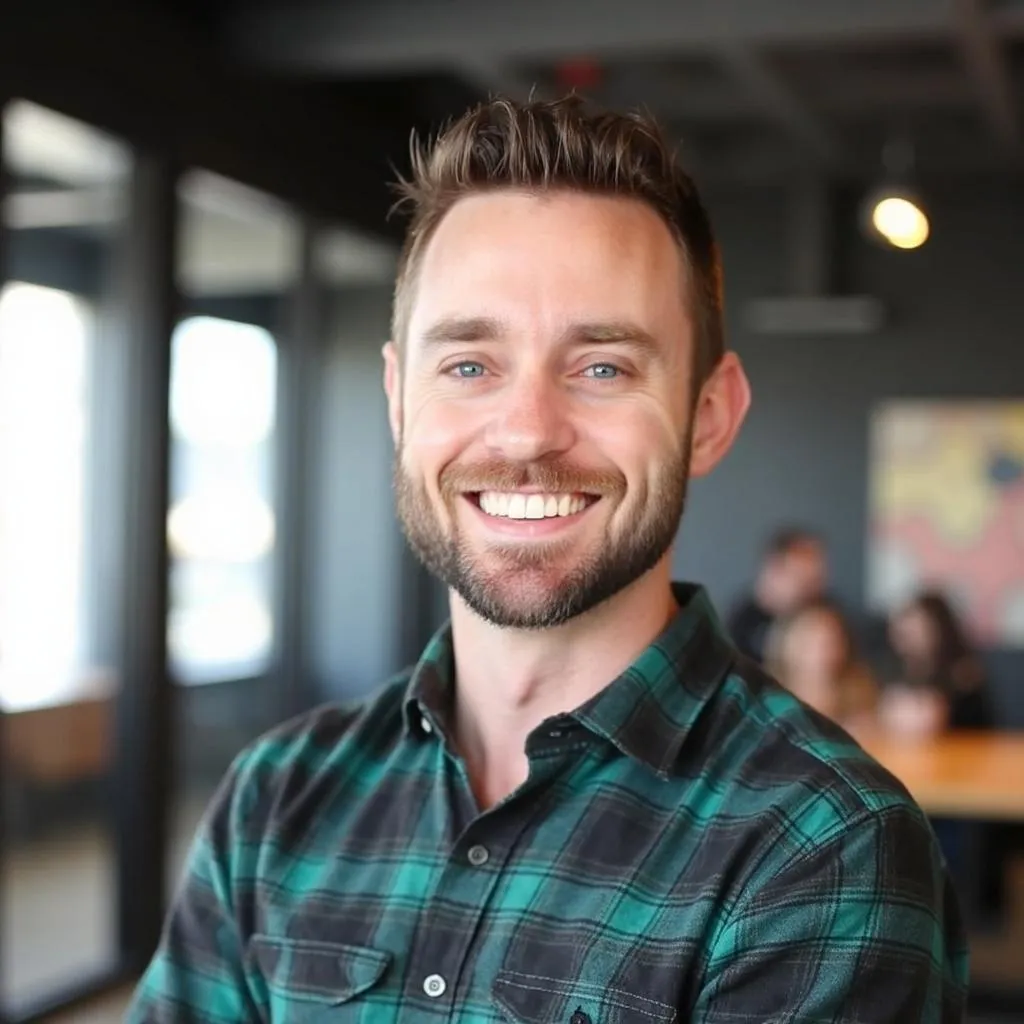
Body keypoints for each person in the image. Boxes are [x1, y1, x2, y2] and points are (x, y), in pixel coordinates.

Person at [127, 96, 966, 1022]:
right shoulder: (278, 797)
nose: (527, 430)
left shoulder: (826, 846)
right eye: (469, 365)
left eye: (602, 366)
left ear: (709, 417)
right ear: (399, 399)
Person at [881, 589, 994, 737]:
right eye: (904, 631)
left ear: (939, 629)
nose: (908, 638)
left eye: (918, 629)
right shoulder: (891, 670)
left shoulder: (964, 674)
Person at [765, 597, 879, 740]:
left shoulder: (861, 690)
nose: (822, 652)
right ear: (786, 645)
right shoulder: (770, 698)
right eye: (809, 641)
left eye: (830, 641)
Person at [726, 526, 827, 663]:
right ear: (774, 569)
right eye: (802, 579)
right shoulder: (739, 628)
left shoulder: (826, 617)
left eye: (816, 579)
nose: (814, 589)